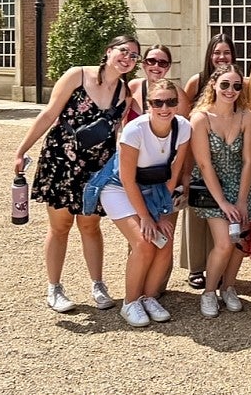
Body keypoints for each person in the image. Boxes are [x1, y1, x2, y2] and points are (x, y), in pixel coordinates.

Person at [13, 35, 140, 313]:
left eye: (133, 56)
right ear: (108, 51)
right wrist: (21, 150)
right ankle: (54, 288)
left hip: (96, 168)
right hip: (62, 160)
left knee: (90, 226)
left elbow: (121, 132)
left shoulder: (124, 93)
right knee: (60, 226)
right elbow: (49, 114)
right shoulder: (77, 75)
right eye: (123, 51)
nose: (127, 58)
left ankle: (97, 284)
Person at [94, 79, 191, 327]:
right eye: (157, 102)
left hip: (155, 188)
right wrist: (146, 217)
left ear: (177, 104)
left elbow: (173, 173)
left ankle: (148, 297)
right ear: (148, 105)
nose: (164, 107)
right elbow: (126, 180)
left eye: (170, 102)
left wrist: (159, 213)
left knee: (164, 240)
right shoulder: (134, 130)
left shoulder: (183, 128)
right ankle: (130, 302)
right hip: (120, 189)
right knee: (144, 242)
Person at [189, 64, 251, 318]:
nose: (231, 90)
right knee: (224, 243)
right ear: (214, 86)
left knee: (239, 242)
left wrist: (240, 201)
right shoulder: (200, 118)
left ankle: (228, 287)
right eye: (225, 85)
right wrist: (224, 203)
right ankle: (209, 291)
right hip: (211, 189)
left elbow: (249, 161)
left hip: (240, 186)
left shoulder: (246, 117)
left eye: (236, 86)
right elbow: (204, 164)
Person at [179, 34, 238, 290]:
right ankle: (196, 267)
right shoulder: (197, 82)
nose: (221, 57)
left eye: (226, 52)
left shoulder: (237, 83)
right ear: (209, 55)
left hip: (225, 158)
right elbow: (182, 125)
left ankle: (219, 266)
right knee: (197, 213)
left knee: (220, 216)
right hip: (197, 156)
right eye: (217, 52)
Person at [127, 45, 180, 120]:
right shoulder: (133, 87)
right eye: (151, 61)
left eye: (162, 63)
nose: (156, 66)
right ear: (144, 64)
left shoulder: (177, 94)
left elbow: (184, 126)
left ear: (168, 67)